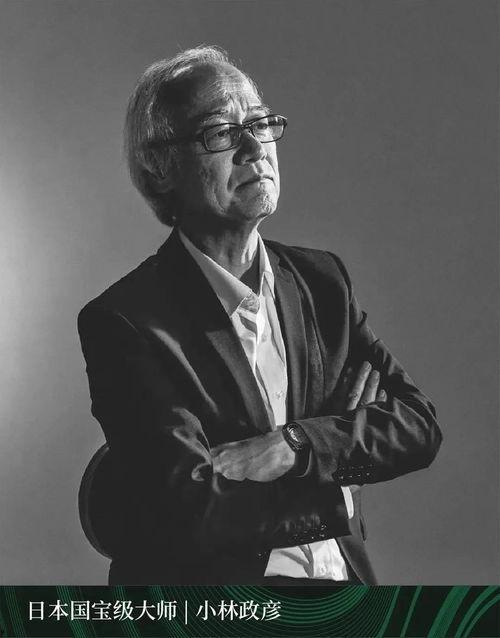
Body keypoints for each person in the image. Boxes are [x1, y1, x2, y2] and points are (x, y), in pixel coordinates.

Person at [77, 45, 442, 585]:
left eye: (260, 123)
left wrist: (295, 445)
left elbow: (417, 426)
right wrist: (337, 482)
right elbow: (193, 510)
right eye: (221, 132)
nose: (254, 148)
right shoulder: (126, 320)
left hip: (346, 596)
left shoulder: (322, 281)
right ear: (162, 168)